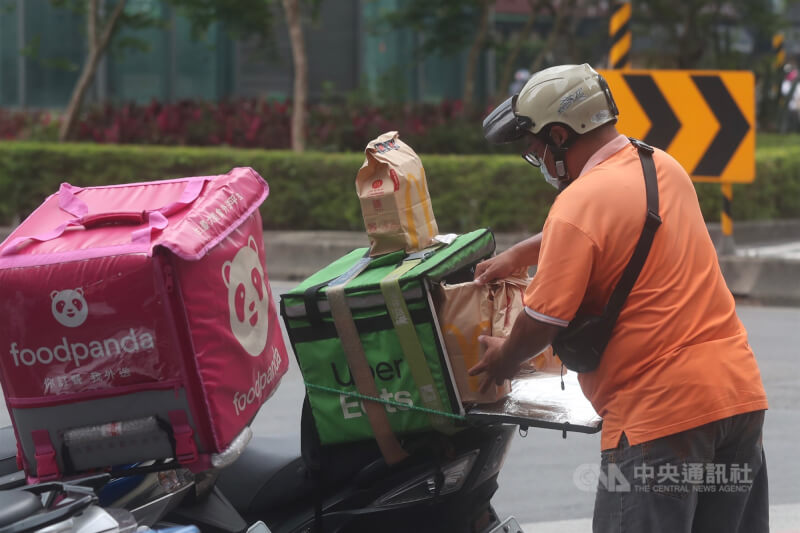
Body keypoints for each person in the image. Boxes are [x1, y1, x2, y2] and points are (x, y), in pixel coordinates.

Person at [469, 63, 769, 533]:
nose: (539, 161)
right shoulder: (660, 166)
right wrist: (520, 254)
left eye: (537, 149)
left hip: (661, 417)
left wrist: (505, 359)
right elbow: (611, 227)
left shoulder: (578, 202)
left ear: (561, 137)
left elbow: (542, 319)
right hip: (737, 400)